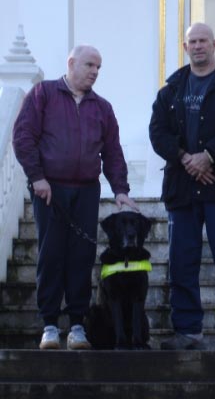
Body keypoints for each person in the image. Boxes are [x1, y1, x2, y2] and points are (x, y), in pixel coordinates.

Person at [13, 45, 137, 350]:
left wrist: (120, 189)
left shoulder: (102, 108)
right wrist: (37, 177)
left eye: (98, 67)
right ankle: (50, 325)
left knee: (81, 256)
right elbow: (23, 136)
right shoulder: (43, 94)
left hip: (86, 190)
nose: (95, 72)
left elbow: (112, 152)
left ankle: (78, 325)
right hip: (49, 190)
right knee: (51, 255)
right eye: (89, 65)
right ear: (71, 63)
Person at [149, 22, 215, 351]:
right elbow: (158, 133)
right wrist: (187, 159)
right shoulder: (170, 90)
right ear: (185, 47)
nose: (198, 46)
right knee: (182, 262)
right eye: (192, 42)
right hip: (183, 189)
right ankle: (187, 331)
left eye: (203, 41)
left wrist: (209, 156)